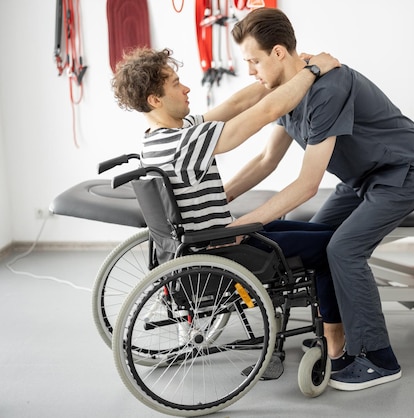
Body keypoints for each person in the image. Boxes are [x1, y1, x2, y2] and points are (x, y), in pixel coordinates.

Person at [225, 8, 414, 391]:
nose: (250, 71)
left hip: (404, 171)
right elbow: (266, 161)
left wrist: (245, 225)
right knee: (317, 241)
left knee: (343, 250)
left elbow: (307, 184)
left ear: (278, 53)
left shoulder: (328, 88)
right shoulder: (287, 92)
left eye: (253, 61)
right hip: (361, 177)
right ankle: (334, 338)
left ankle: (378, 358)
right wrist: (221, 197)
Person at [110, 47, 351, 373]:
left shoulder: (158, 139)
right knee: (333, 248)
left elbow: (237, 104)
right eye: (176, 83)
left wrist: (280, 73)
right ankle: (336, 346)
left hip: (211, 240)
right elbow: (266, 112)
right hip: (228, 248)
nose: (187, 88)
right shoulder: (185, 143)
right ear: (155, 100)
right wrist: (312, 71)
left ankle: (331, 327)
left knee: (329, 234)